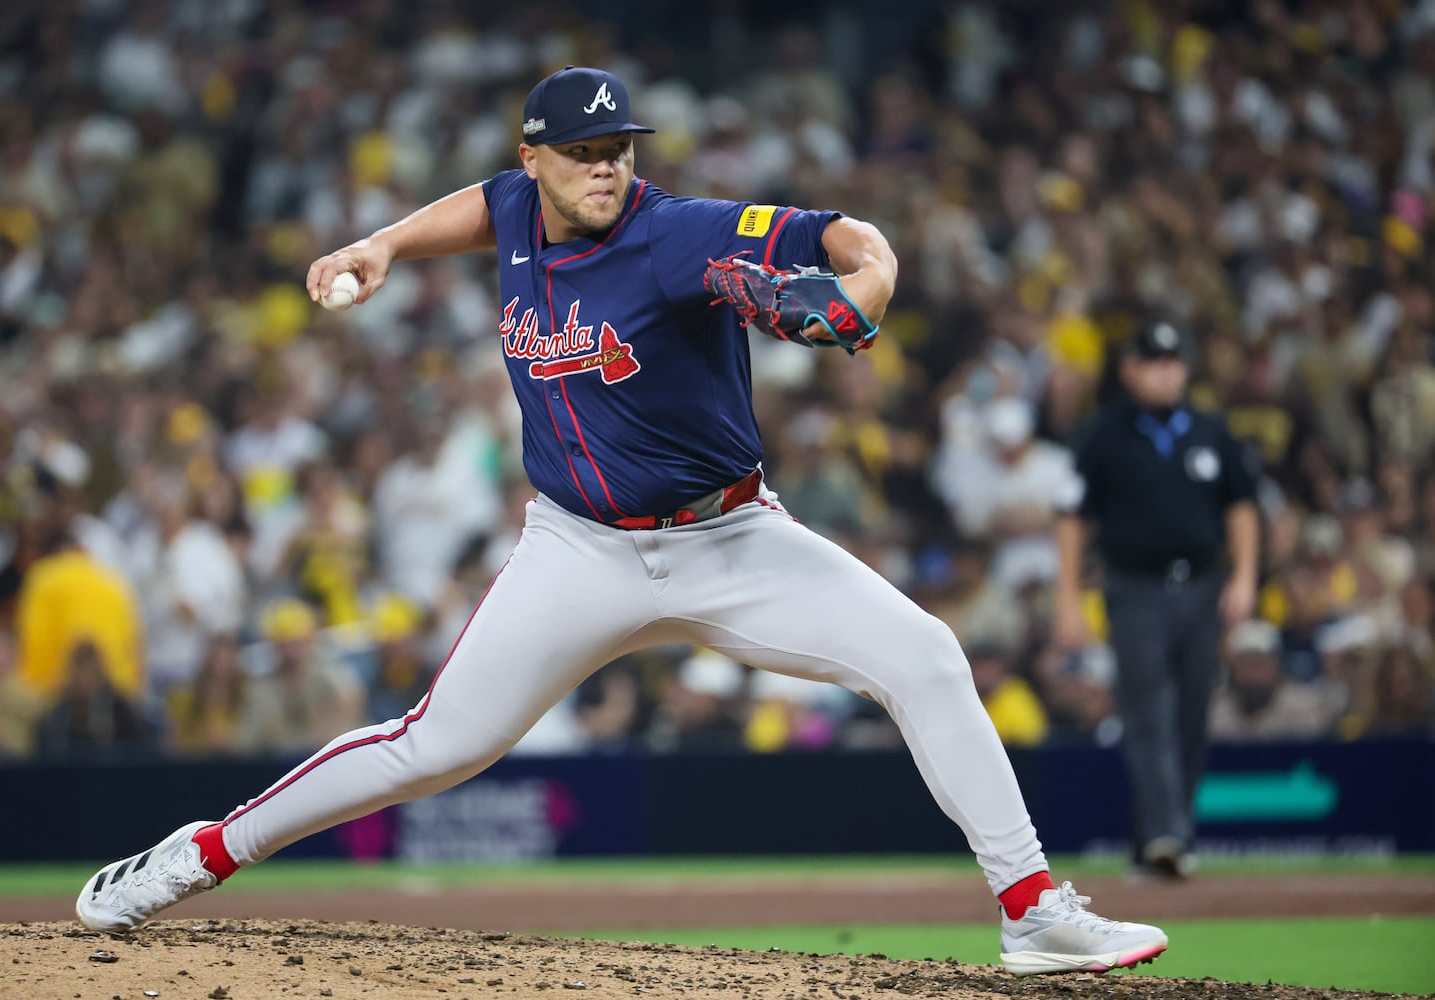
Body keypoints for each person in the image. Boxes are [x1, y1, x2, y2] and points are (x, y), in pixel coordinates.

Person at [76, 66, 1166, 976]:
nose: (609, 167)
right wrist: (384, 248)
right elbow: (476, 205)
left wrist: (868, 283)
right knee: (433, 746)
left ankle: (1031, 909)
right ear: (537, 158)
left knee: (927, 656)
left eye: (622, 148)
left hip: (730, 539)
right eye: (586, 151)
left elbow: (847, 240)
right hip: (579, 549)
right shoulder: (512, 206)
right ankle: (201, 853)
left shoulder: (680, 233)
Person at [1054, 320, 1260, 880]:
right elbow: (1072, 517)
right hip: (1133, 587)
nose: (1165, 373)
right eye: (1153, 363)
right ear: (1130, 370)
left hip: (1202, 586)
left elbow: (1241, 507)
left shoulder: (1212, 432)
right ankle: (1172, 834)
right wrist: (1068, 599)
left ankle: (1156, 840)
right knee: (1148, 710)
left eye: (1172, 363)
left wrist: (1244, 578)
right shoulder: (1104, 434)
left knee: (1193, 712)